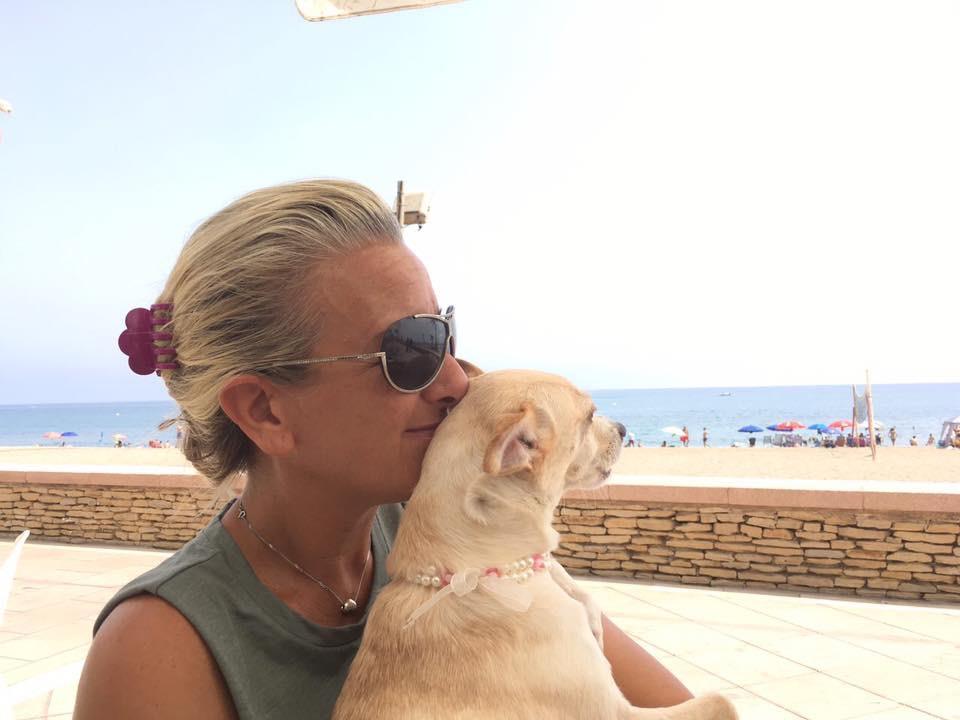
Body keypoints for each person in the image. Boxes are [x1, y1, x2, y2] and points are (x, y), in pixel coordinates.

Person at [74, 180, 693, 719]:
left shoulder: (444, 534)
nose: (456, 382)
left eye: (445, 333)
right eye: (410, 350)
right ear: (266, 412)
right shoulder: (157, 652)